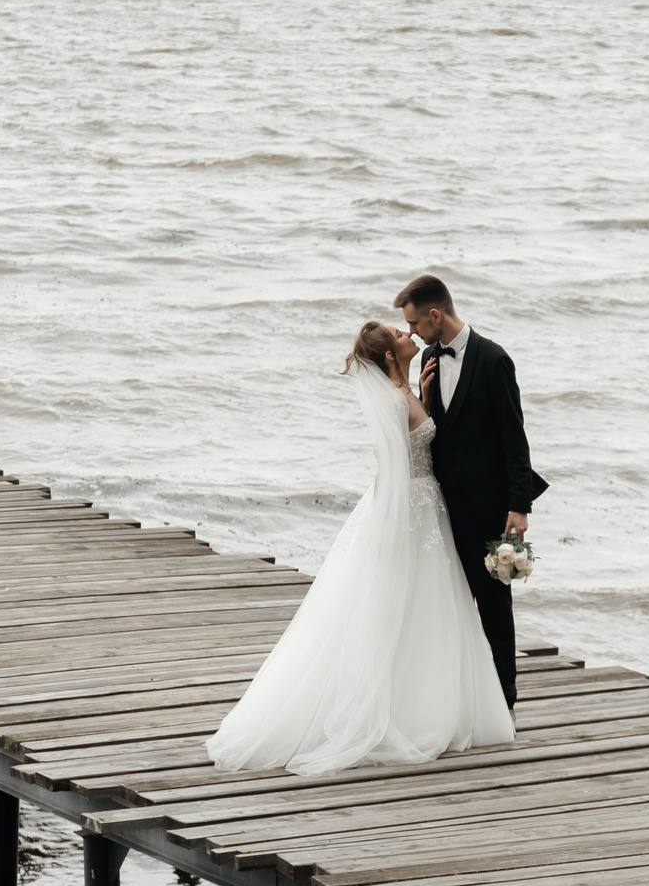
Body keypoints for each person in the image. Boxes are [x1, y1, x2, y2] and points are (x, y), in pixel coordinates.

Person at [205, 321, 514, 774]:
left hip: (427, 508)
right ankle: (409, 713)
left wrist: (424, 402)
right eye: (398, 333)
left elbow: (419, 440)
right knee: (411, 606)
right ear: (390, 355)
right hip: (410, 510)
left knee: (429, 608)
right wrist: (389, 526)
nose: (408, 335)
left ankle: (430, 700)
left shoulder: (401, 390)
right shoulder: (392, 400)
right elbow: (392, 468)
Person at [394, 274, 546, 707]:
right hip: (442, 510)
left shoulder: (494, 359)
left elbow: (514, 438)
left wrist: (519, 505)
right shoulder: (430, 360)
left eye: (416, 325)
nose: (412, 334)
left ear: (436, 315)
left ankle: (504, 704)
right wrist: (422, 397)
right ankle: (456, 702)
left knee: (494, 609)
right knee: (450, 606)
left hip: (487, 510)